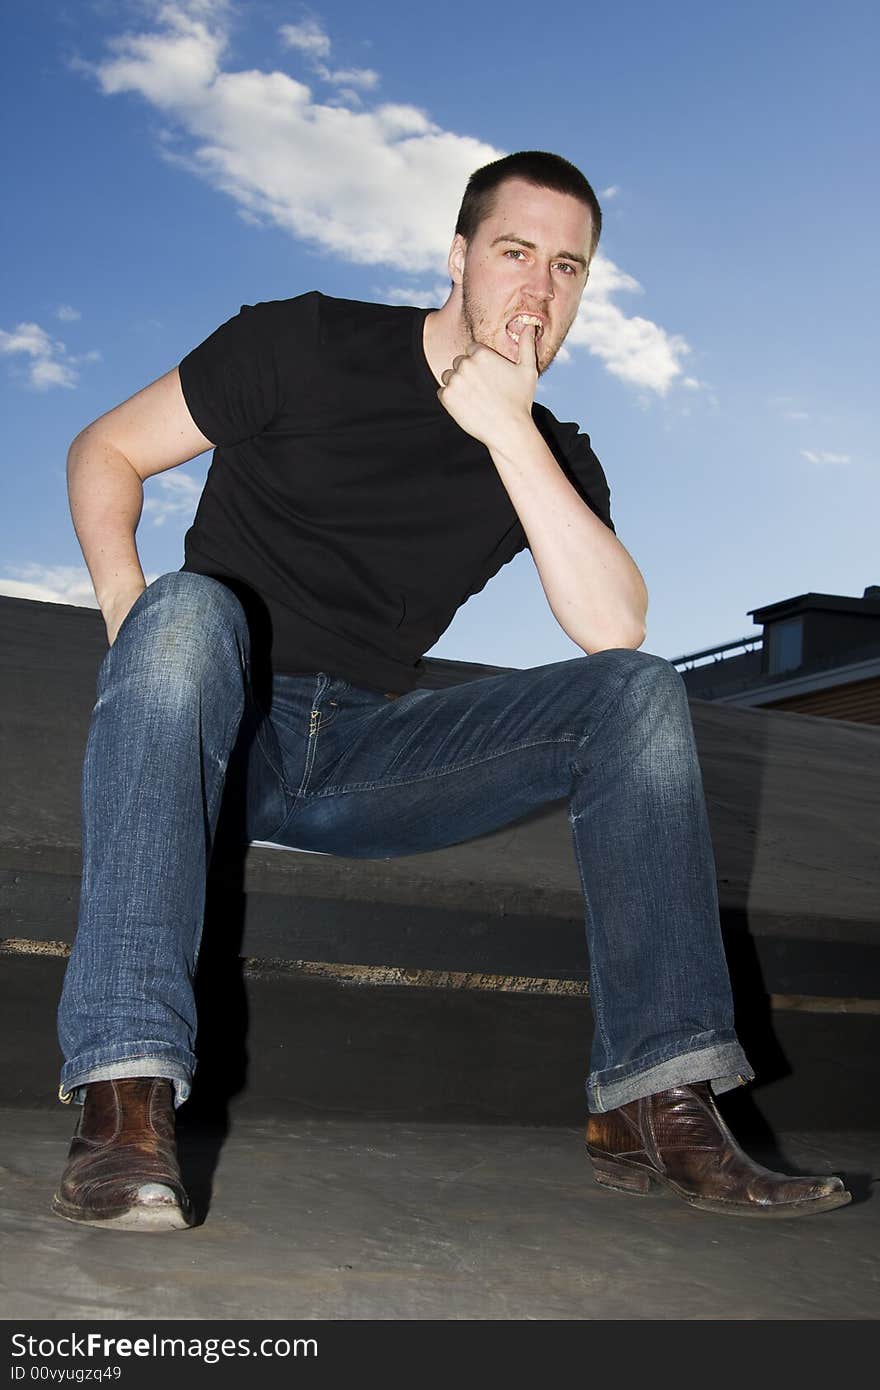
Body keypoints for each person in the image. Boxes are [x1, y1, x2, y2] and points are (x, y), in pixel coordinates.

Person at [53, 151, 850, 1231]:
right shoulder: (307, 341)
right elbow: (106, 447)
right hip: (216, 715)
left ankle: (655, 1098)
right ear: (457, 257)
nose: (538, 291)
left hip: (369, 753)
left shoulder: (549, 452)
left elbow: (615, 630)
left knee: (636, 692)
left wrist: (508, 429)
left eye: (566, 269)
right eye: (515, 253)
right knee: (189, 606)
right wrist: (135, 631)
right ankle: (123, 1103)